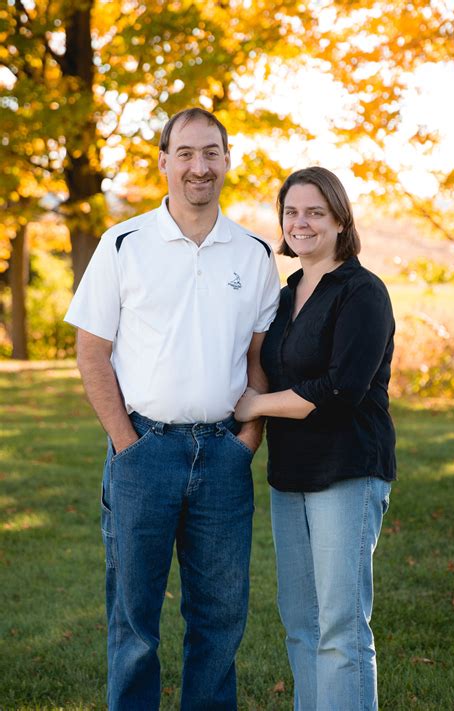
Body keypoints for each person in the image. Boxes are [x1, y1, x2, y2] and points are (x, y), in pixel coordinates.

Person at [64, 107, 280, 711]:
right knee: (133, 623)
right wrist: (126, 443)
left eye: (211, 152)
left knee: (219, 620)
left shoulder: (254, 253)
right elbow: (91, 351)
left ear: (227, 160)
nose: (198, 166)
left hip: (223, 457)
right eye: (185, 153)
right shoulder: (123, 243)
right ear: (163, 162)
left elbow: (260, 359)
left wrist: (247, 441)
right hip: (143, 451)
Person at [235, 166, 396, 711]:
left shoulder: (362, 292)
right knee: (301, 626)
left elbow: (339, 388)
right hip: (290, 475)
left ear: (340, 220)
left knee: (341, 629)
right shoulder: (286, 294)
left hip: (347, 471)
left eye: (314, 212)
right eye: (291, 212)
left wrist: (254, 405)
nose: (300, 223)